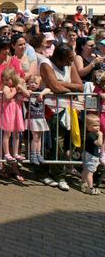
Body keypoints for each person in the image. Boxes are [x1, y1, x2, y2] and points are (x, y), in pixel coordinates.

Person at [34, 42, 84, 191]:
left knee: (60, 144)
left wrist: (61, 83)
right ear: (60, 57)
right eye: (68, 58)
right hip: (47, 110)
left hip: (65, 110)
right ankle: (42, 172)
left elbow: (80, 86)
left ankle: (59, 174)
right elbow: (55, 88)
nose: (71, 60)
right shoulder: (45, 63)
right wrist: (63, 86)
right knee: (45, 142)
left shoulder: (70, 64)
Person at [0, 67, 29, 163]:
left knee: (17, 133)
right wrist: (15, 90)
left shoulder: (16, 86)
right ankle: (7, 153)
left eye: (7, 79)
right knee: (7, 133)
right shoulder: (6, 87)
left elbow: (27, 94)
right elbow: (7, 96)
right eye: (4, 80)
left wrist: (20, 87)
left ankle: (16, 152)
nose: (6, 82)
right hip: (8, 110)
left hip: (16, 110)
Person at [26, 74, 50, 165]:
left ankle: (38, 153)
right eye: (31, 82)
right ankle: (33, 154)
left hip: (40, 117)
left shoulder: (40, 91)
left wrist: (42, 93)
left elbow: (49, 89)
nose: (33, 85)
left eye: (36, 83)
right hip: (32, 118)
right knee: (35, 137)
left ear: (39, 85)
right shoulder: (27, 91)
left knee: (39, 137)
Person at [82, 114, 103, 195]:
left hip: (88, 154)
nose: (97, 127)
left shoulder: (90, 134)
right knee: (90, 172)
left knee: (86, 169)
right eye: (94, 125)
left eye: (98, 125)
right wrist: (100, 135)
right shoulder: (91, 135)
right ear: (88, 126)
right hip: (91, 155)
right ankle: (90, 188)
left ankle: (83, 182)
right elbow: (99, 143)